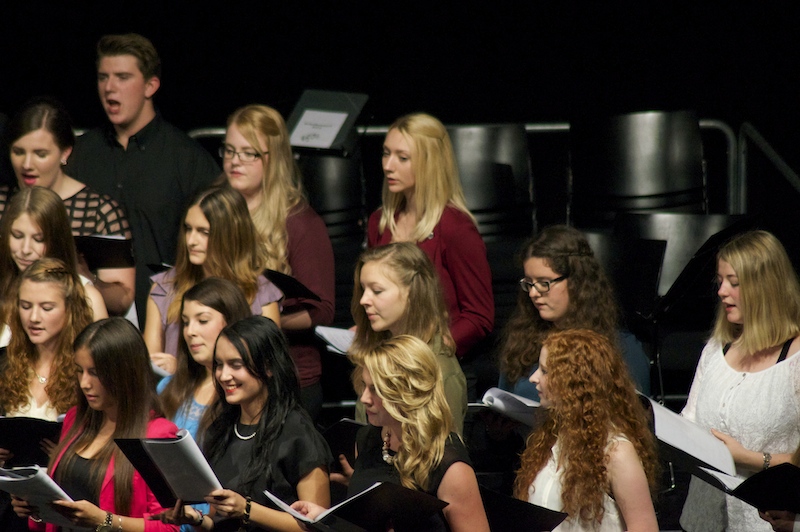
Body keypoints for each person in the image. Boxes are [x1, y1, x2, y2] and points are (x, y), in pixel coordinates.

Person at [64, 33, 220, 326]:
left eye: (122, 77)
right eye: (103, 77)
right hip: (89, 318)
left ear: (151, 85)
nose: (109, 87)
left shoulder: (187, 159)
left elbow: (218, 245)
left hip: (165, 320)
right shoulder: (81, 154)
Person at [293, 335, 489, 531]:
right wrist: (324, 517)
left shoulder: (449, 465)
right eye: (364, 386)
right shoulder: (367, 439)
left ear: (407, 392)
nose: (365, 398)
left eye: (375, 389)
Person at [154, 316, 332, 531]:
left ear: (268, 367)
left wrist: (247, 510)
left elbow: (318, 526)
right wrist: (197, 520)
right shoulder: (220, 430)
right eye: (219, 365)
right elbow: (217, 522)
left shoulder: (297, 433)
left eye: (235, 365)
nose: (223, 375)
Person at [10, 317, 179, 532]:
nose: (84, 383)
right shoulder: (76, 419)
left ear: (125, 373)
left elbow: (169, 527)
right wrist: (35, 508)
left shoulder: (158, 434)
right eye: (80, 370)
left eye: (95, 373)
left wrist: (105, 520)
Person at [680, 230, 800, 532]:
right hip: (703, 520)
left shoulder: (795, 359)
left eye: (734, 283)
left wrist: (747, 458)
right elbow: (689, 420)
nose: (722, 291)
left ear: (765, 286)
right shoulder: (716, 348)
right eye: (720, 281)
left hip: (768, 522)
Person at [220, 104, 335, 420]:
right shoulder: (216, 212)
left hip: (286, 380)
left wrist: (264, 322)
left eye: (249, 153)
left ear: (274, 159)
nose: (235, 161)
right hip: (226, 376)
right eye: (229, 150)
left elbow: (323, 309)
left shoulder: (299, 223)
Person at [366, 113, 494, 376]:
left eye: (402, 158)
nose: (388, 166)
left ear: (430, 163)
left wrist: (432, 350)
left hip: (439, 370)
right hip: (391, 366)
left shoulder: (455, 227)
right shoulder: (380, 222)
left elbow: (479, 316)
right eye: (386, 153)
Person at [515, 329, 660, 532]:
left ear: (574, 381)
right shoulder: (550, 438)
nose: (533, 378)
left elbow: (644, 527)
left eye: (545, 371)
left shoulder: (616, 452)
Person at [2, 96, 135, 316]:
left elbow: (122, 300)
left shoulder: (98, 211)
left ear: (65, 153)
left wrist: (83, 278)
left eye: (40, 154)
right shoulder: (3, 201)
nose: (27, 164)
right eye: (18, 152)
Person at [499, 225, 651, 401]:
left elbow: (634, 412)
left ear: (576, 282)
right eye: (529, 283)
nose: (533, 293)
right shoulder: (523, 341)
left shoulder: (621, 348)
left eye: (544, 283)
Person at [144, 185, 282, 374]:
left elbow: (267, 371)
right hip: (173, 391)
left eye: (204, 232)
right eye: (188, 229)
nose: (191, 240)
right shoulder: (165, 288)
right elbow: (149, 367)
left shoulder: (261, 294)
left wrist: (183, 372)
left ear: (229, 235)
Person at [350, 242, 467, 434]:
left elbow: (445, 448)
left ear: (413, 292)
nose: (364, 300)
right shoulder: (377, 352)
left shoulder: (439, 369)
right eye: (363, 289)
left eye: (377, 291)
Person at [0, 187, 108, 343]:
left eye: (38, 239)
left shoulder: (87, 297)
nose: (25, 249)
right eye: (17, 236)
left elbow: (104, 356)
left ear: (57, 240)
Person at [158, 277, 252, 439]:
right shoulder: (168, 388)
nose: (190, 332)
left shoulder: (244, 391)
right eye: (186, 322)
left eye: (202, 321)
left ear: (231, 323)